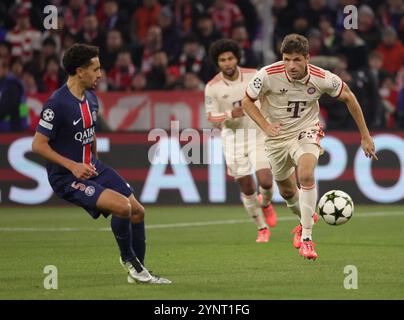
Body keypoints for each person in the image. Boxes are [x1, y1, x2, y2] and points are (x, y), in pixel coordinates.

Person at [31, 43, 171, 284]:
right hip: (67, 177)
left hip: (92, 167)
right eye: (95, 69)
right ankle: (129, 261)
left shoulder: (92, 99)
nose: (100, 74)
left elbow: (90, 132)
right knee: (122, 207)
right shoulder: (57, 104)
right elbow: (38, 145)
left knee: (137, 211)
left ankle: (138, 269)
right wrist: (73, 166)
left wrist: (95, 161)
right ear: (79, 71)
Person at [242, 34, 377, 259]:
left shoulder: (322, 77)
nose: (291, 65)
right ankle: (303, 219)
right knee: (286, 191)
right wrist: (265, 126)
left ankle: (307, 239)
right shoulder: (266, 75)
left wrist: (365, 135)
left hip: (306, 131)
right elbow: (247, 101)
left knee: (305, 174)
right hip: (276, 138)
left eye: (296, 60)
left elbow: (349, 97)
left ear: (307, 58)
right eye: (286, 59)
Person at [205, 39, 277, 243]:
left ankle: (266, 203)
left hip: (257, 135)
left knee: (265, 180)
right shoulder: (212, 87)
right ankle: (261, 228)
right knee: (247, 187)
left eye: (230, 58)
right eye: (222, 60)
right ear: (217, 63)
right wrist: (230, 113)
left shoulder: (253, 75)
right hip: (233, 140)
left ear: (237, 58)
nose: (227, 63)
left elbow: (267, 98)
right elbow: (210, 117)